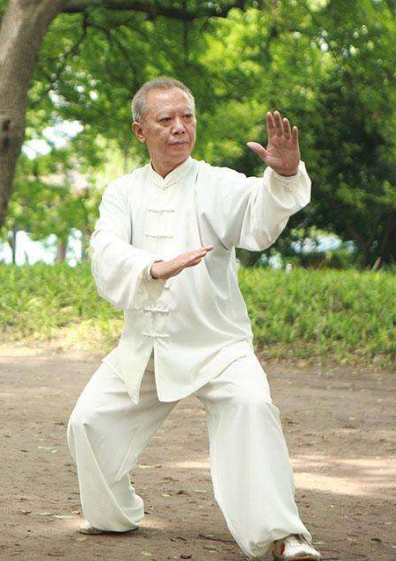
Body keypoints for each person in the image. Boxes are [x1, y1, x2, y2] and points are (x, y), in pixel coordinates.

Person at [66, 78, 321, 561]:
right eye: (166, 120)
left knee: (250, 406)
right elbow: (104, 247)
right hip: (146, 344)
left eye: (187, 117)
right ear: (140, 131)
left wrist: (284, 177)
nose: (180, 128)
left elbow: (259, 221)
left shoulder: (219, 182)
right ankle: (113, 515)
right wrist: (150, 267)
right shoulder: (121, 192)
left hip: (218, 344)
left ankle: (282, 535)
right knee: (88, 423)